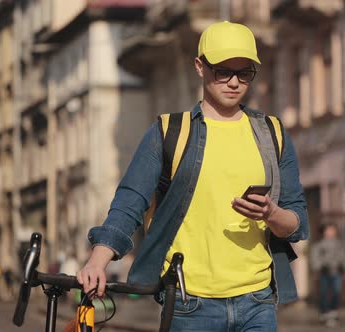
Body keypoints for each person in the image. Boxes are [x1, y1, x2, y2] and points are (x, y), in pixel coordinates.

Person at [77, 21, 309, 331]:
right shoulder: (170, 132)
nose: (234, 82)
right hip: (190, 305)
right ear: (200, 67)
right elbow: (130, 201)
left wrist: (272, 214)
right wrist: (97, 261)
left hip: (258, 304)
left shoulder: (273, 134)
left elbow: (297, 221)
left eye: (244, 73)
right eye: (222, 71)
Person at [310, 223, 345, 327]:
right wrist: (318, 267)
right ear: (324, 231)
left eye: (332, 230)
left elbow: (344, 256)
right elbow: (315, 257)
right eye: (328, 230)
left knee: (337, 291)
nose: (330, 232)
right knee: (323, 292)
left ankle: (333, 311)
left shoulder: (340, 244)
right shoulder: (319, 244)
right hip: (324, 271)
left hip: (337, 271)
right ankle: (324, 312)